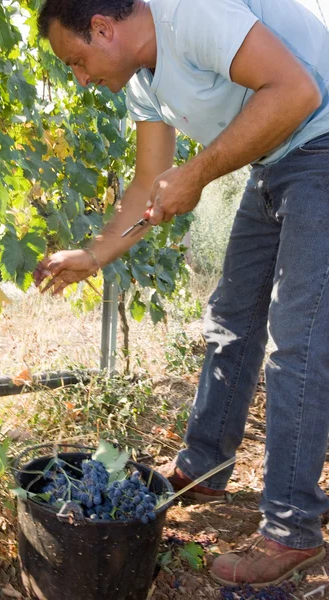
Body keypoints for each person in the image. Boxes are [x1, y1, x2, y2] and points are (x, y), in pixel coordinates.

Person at [34, 0, 329, 588]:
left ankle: (292, 529)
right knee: (230, 319)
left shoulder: (188, 13)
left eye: (77, 60)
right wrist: (93, 256)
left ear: (103, 28)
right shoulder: (144, 81)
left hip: (321, 143)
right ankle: (206, 466)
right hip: (276, 159)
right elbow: (148, 182)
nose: (81, 78)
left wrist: (196, 174)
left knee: (298, 336)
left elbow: (297, 93)